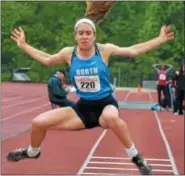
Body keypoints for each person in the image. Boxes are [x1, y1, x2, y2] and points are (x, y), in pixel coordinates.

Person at [7, 18, 174, 175]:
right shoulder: (68, 53)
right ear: (76, 36)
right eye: (81, 33)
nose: (84, 36)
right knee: (37, 123)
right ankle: (32, 152)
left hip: (106, 104)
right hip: (83, 109)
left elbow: (133, 50)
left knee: (110, 117)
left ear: (94, 35)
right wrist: (23, 45)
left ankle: (136, 156)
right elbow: (48, 60)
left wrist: (159, 39)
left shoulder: (103, 50)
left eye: (88, 33)